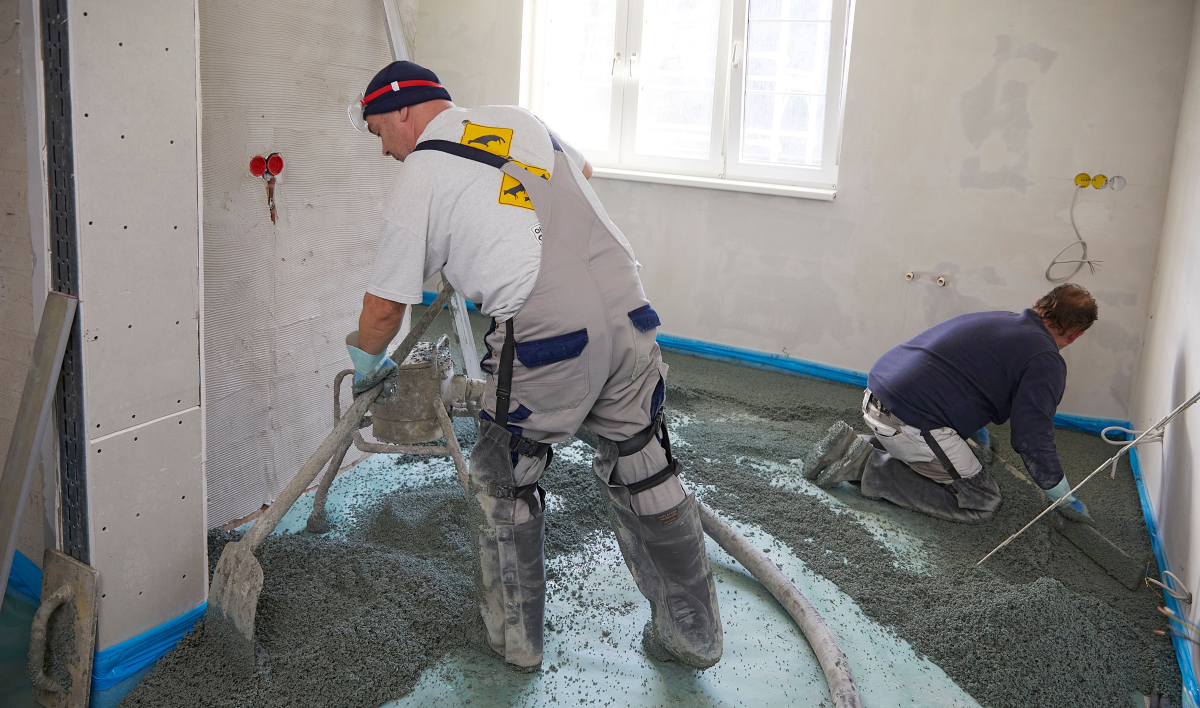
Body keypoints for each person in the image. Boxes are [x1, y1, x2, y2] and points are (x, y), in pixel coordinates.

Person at [342, 61, 722, 670]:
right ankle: (694, 636)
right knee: (646, 466)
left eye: (377, 132)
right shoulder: (517, 120)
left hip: (549, 331)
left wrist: (366, 368)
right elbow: (583, 173)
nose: (383, 150)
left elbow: (385, 310)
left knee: (504, 481)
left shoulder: (421, 171)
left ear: (403, 110)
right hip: (629, 306)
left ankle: (514, 645)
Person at [801, 284, 1099, 524]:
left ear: (1039, 303)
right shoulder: (1046, 360)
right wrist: (1062, 496)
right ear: (1076, 334)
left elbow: (961, 374)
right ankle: (868, 466)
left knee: (955, 456)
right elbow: (1031, 438)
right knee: (980, 499)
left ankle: (859, 446)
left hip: (879, 391)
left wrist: (972, 428)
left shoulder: (1000, 319)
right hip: (909, 419)